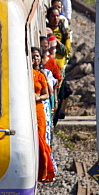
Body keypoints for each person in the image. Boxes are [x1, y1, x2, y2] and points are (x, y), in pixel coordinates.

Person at [32, 47, 56, 182]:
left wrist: (37, 98)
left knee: (41, 138)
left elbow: (47, 94)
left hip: (38, 109)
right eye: (33, 56)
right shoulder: (24, 74)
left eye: (37, 56)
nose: (35, 59)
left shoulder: (41, 75)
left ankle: (45, 171)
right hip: (26, 109)